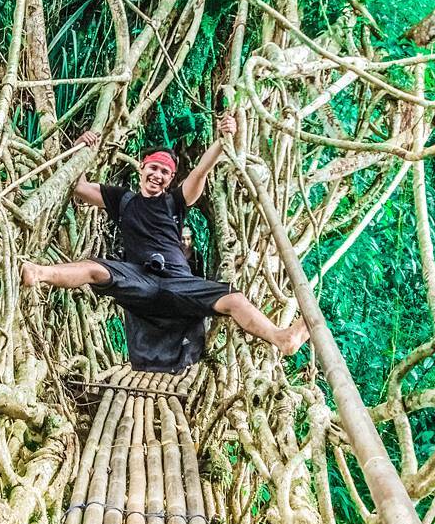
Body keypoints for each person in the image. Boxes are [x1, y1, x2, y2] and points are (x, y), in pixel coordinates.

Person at [21, 115, 309, 374]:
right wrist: (81, 147)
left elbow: (200, 173)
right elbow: (79, 187)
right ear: (142, 168)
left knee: (234, 299)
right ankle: (39, 273)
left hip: (178, 282)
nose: (157, 175)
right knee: (93, 269)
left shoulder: (175, 202)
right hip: (139, 278)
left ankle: (282, 338)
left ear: (171, 179)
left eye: (165, 173)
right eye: (154, 168)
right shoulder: (122, 200)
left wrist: (223, 141)